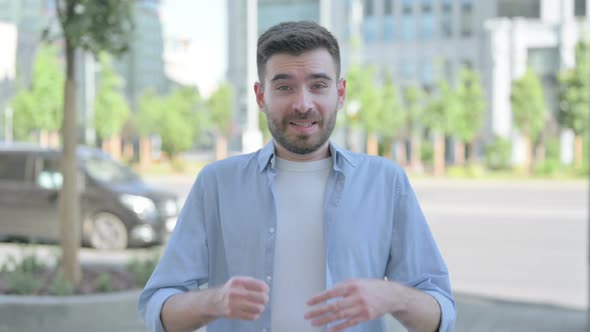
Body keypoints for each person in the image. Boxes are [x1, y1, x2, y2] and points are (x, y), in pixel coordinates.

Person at [138, 21, 455, 332]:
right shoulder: (216, 184)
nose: (303, 104)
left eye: (318, 85)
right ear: (261, 96)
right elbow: (159, 306)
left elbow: (439, 317)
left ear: (340, 92)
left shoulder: (386, 182)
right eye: (285, 87)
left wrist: (393, 296)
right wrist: (214, 301)